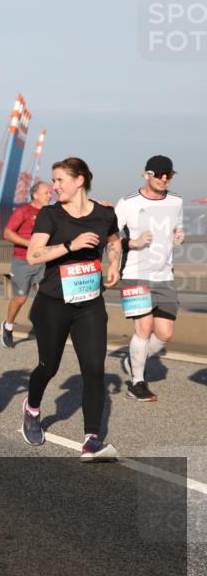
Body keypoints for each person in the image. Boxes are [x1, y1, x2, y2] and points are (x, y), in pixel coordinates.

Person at [21, 157, 122, 462]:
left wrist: (115, 262)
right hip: (53, 304)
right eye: (53, 181)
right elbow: (32, 256)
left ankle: (91, 440)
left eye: (60, 180)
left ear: (79, 180)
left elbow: (115, 240)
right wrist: (70, 246)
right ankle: (32, 409)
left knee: (93, 370)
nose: (54, 187)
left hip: (90, 303)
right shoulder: (50, 215)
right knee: (48, 367)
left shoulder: (105, 213)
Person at [115, 155, 184, 402]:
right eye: (159, 174)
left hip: (165, 275)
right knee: (143, 327)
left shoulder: (176, 201)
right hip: (135, 274)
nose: (164, 179)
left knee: (164, 334)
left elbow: (176, 226)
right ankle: (137, 382)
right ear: (146, 174)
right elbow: (110, 235)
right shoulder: (127, 203)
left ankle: (133, 360)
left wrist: (179, 233)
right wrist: (131, 242)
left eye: (169, 175)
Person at [1, 181, 53, 348]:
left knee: (45, 294)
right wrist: (30, 244)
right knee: (21, 298)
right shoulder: (23, 211)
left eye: (51, 193)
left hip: (44, 261)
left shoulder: (51, 212)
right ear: (35, 195)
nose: (50, 195)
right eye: (47, 193)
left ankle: (47, 329)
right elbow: (7, 233)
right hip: (22, 261)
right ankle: (8, 326)